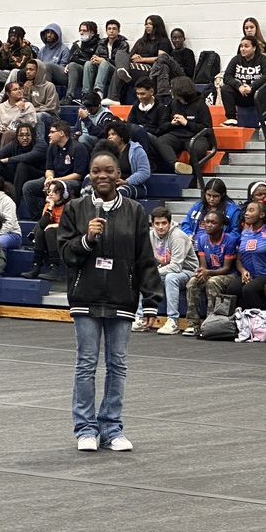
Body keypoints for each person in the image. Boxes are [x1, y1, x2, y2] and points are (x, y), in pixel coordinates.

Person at [57, 148, 162, 452]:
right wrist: (86, 239)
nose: (102, 175)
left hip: (121, 297)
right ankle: (85, 429)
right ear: (89, 175)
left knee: (117, 365)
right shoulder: (75, 208)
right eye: (96, 171)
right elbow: (65, 255)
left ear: (119, 175)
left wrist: (151, 300)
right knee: (86, 364)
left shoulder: (135, 211)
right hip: (86, 296)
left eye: (108, 170)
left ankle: (112, 428)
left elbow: (145, 259)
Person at [141, 206, 198, 335]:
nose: (160, 227)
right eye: (157, 223)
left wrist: (153, 272)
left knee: (171, 278)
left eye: (164, 223)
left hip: (188, 271)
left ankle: (173, 321)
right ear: (152, 224)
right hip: (165, 269)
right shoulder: (150, 235)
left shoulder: (178, 236)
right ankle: (141, 318)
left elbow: (176, 267)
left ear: (170, 222)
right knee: (143, 276)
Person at [183, 210, 240, 337]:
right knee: (192, 282)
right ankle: (192, 324)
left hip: (229, 274)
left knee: (212, 282)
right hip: (211, 272)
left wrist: (208, 272)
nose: (209, 225)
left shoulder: (229, 240)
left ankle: (210, 324)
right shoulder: (202, 239)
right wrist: (201, 272)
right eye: (207, 222)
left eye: (213, 222)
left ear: (221, 226)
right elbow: (204, 266)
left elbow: (226, 268)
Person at [20, 121, 89, 219]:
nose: (49, 135)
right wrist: (49, 177)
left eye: (52, 132)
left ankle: (65, 218)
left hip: (73, 182)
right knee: (29, 187)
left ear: (61, 133)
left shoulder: (78, 148)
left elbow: (77, 175)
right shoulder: (52, 147)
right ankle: (39, 218)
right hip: (55, 179)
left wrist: (56, 181)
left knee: (60, 186)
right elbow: (49, 168)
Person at [152, 76, 213, 177]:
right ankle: (176, 165)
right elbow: (162, 125)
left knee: (197, 148)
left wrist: (187, 123)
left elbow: (207, 129)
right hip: (176, 135)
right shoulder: (172, 103)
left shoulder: (200, 105)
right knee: (161, 141)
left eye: (172, 88)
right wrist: (171, 124)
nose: (170, 91)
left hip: (196, 136)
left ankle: (192, 175)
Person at [21, 179, 70, 280]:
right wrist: (50, 207)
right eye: (49, 191)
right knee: (40, 230)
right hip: (50, 234)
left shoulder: (69, 206)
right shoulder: (49, 205)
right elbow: (42, 224)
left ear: (63, 194)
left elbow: (69, 225)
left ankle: (55, 269)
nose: (51, 194)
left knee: (49, 230)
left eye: (55, 191)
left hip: (66, 234)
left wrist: (54, 225)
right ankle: (36, 266)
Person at [218, 36, 266, 126]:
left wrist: (252, 87)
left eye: (246, 46)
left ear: (254, 48)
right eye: (241, 46)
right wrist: (238, 86)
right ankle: (231, 118)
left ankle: (263, 120)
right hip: (241, 94)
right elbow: (227, 77)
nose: (243, 49)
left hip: (256, 95)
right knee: (225, 88)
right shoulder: (236, 59)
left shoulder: (263, 59)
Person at [235, 200, 266, 310]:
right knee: (232, 289)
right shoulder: (244, 233)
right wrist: (243, 271)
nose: (246, 213)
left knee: (248, 289)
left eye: (251, 210)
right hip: (249, 274)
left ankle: (261, 316)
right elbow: (238, 259)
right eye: (246, 211)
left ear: (261, 215)